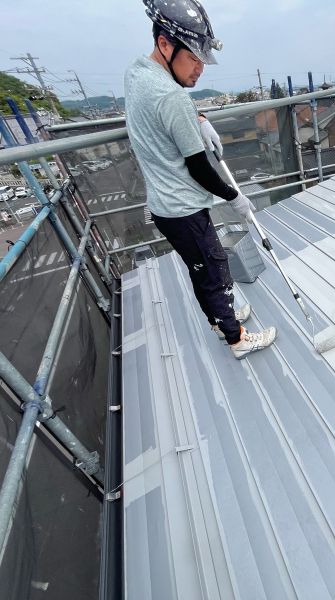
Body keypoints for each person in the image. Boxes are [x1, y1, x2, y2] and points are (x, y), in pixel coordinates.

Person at [125, 0, 276, 360]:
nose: (200, 70)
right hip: (184, 208)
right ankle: (236, 339)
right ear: (165, 44)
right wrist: (234, 196)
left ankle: (219, 319)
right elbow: (200, 168)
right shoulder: (173, 96)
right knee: (214, 270)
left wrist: (199, 118)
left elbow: (162, 106)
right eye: (193, 58)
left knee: (200, 269)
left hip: (165, 207)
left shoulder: (138, 73)